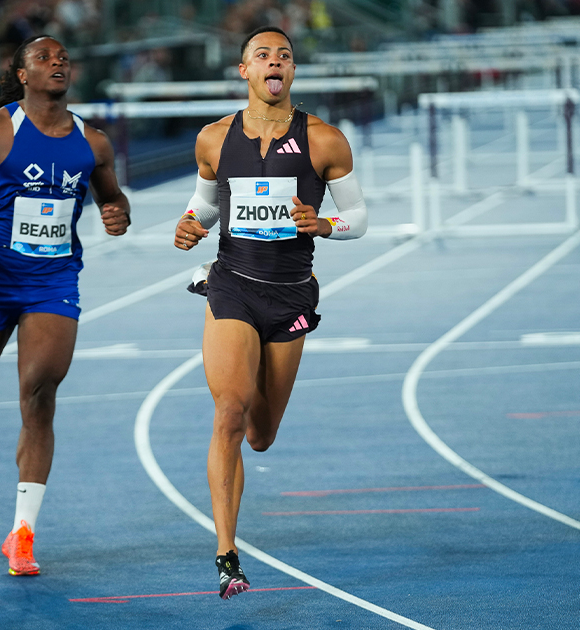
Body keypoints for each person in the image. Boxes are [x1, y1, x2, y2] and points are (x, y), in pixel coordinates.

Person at [174, 26, 368, 599]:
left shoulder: (325, 140)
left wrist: (325, 224)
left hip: (290, 294)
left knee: (260, 435)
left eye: (284, 55)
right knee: (229, 413)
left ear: (291, 72)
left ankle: (232, 529)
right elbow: (205, 207)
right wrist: (189, 228)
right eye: (263, 55)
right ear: (245, 71)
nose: (275, 62)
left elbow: (358, 217)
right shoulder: (214, 139)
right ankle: (226, 555)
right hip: (231, 284)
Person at [0, 35, 130, 577]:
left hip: (53, 280)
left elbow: (112, 198)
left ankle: (22, 533)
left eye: (64, 57)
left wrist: (117, 213)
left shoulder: (93, 142)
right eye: (44, 58)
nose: (58, 63)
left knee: (39, 391)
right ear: (22, 74)